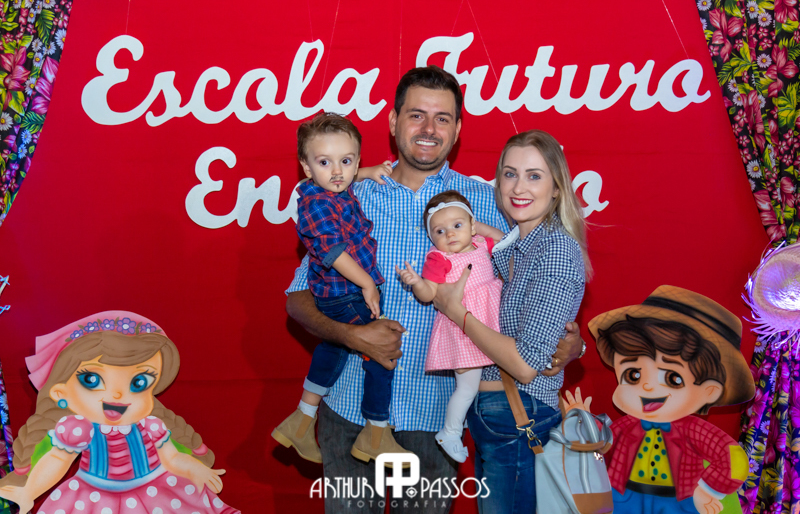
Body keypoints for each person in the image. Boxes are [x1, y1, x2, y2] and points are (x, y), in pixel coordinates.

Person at [285, 67, 584, 513]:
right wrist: (352, 336)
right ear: (393, 122)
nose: (429, 129)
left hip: (437, 419)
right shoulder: (349, 195)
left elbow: (533, 290)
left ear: (458, 130)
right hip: (350, 409)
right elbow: (298, 298)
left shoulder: (490, 203)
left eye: (442, 118)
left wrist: (570, 343)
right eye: (416, 115)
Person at [433, 130, 591, 514]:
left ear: (557, 188)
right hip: (496, 415)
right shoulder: (516, 247)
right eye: (510, 174)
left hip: (520, 413)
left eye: (534, 175)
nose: (519, 187)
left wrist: (455, 311)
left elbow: (523, 364)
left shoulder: (556, 249)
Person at [0, 311, 238, 514]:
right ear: (60, 392)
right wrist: (29, 491)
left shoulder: (151, 425)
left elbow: (172, 458)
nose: (117, 395)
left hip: (159, 492)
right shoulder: (78, 429)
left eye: (139, 383)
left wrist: (195, 468)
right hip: (93, 498)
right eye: (92, 380)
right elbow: (56, 462)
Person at [272, 112, 407, 466]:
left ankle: (302, 419)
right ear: (306, 166)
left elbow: (340, 177)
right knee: (383, 348)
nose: (337, 172)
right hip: (345, 293)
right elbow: (333, 251)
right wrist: (367, 283)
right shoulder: (316, 204)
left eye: (346, 161)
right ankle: (375, 432)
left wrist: (367, 172)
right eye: (324, 162)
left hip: (337, 294)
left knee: (332, 350)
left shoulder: (330, 187)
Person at [586, 286, 754, 514]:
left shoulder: (694, 431)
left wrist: (708, 491)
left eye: (672, 378)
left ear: (709, 392)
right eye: (633, 375)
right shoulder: (626, 426)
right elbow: (605, 446)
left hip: (677, 502)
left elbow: (733, 457)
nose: (647, 387)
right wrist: (585, 425)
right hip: (623, 497)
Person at [396, 190, 503, 463]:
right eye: (440, 231)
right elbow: (428, 294)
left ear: (472, 226)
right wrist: (416, 282)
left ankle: (460, 425)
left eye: (457, 225)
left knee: (482, 385)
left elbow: (504, 239)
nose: (450, 234)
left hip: (486, 325)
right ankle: (450, 432)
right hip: (462, 331)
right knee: (467, 388)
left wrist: (474, 226)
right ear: (431, 238)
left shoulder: (481, 243)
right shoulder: (439, 258)